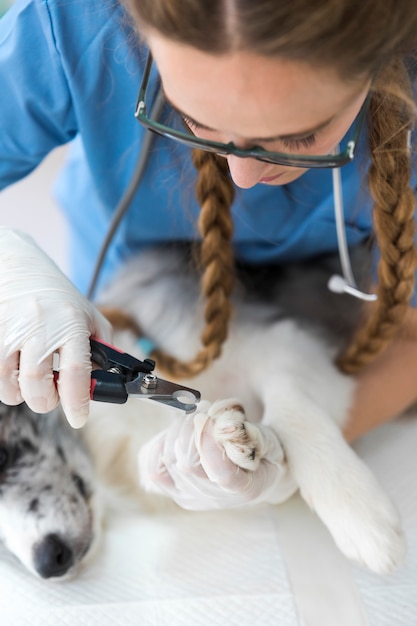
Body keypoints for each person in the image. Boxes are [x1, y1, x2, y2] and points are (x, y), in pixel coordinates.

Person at [0, 0, 417, 504]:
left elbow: (411, 343)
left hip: (350, 314)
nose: (241, 177)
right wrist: (8, 263)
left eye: (301, 135)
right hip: (139, 307)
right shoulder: (77, 20)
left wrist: (293, 452)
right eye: (194, 118)